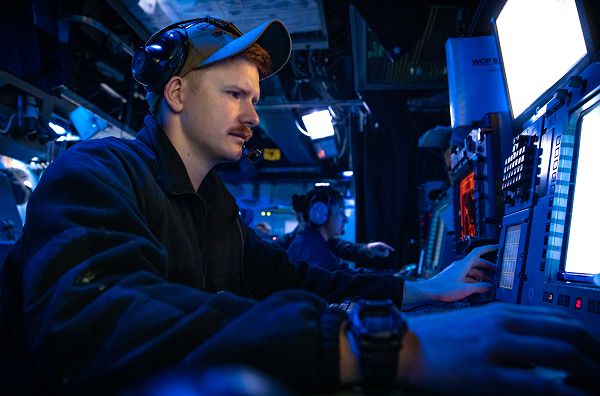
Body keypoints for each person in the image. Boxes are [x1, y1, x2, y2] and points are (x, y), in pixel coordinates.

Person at [0, 15, 598, 396]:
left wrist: (425, 291)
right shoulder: (98, 173)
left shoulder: (215, 208)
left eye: (255, 98)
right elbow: (93, 317)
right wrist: (380, 346)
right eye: (235, 94)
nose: (254, 116)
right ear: (176, 93)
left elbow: (295, 277)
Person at [275, 193, 395, 264]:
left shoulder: (318, 239)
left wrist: (367, 248)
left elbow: (343, 248)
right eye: (341, 212)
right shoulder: (303, 245)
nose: (345, 219)